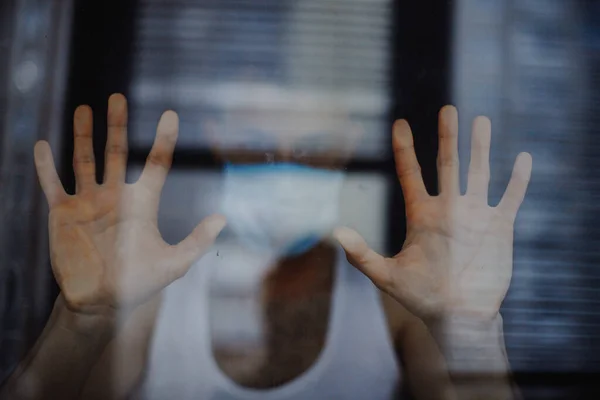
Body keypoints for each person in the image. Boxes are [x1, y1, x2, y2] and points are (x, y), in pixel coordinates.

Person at [0, 92, 532, 400]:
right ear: (218, 146)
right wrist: (82, 320)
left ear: (345, 154)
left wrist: (471, 332)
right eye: (257, 147)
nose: (283, 168)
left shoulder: (399, 308)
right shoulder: (155, 297)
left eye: (310, 149)